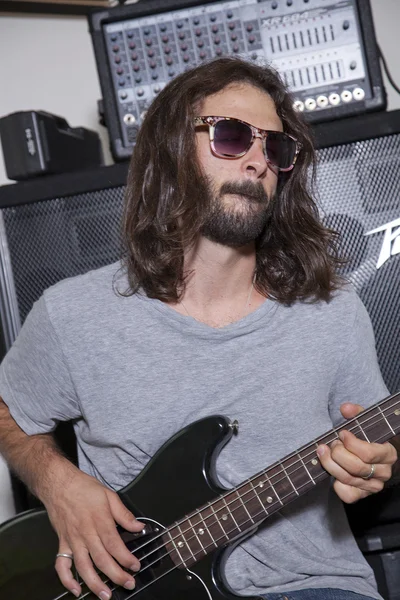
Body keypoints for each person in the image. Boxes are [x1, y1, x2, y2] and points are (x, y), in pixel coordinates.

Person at [0, 57, 398, 600]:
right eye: (233, 137)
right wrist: (59, 485)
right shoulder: (72, 314)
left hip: (311, 586)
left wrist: (375, 467)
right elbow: (8, 409)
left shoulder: (332, 309)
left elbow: (374, 446)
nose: (259, 160)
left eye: (275, 148)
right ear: (170, 154)